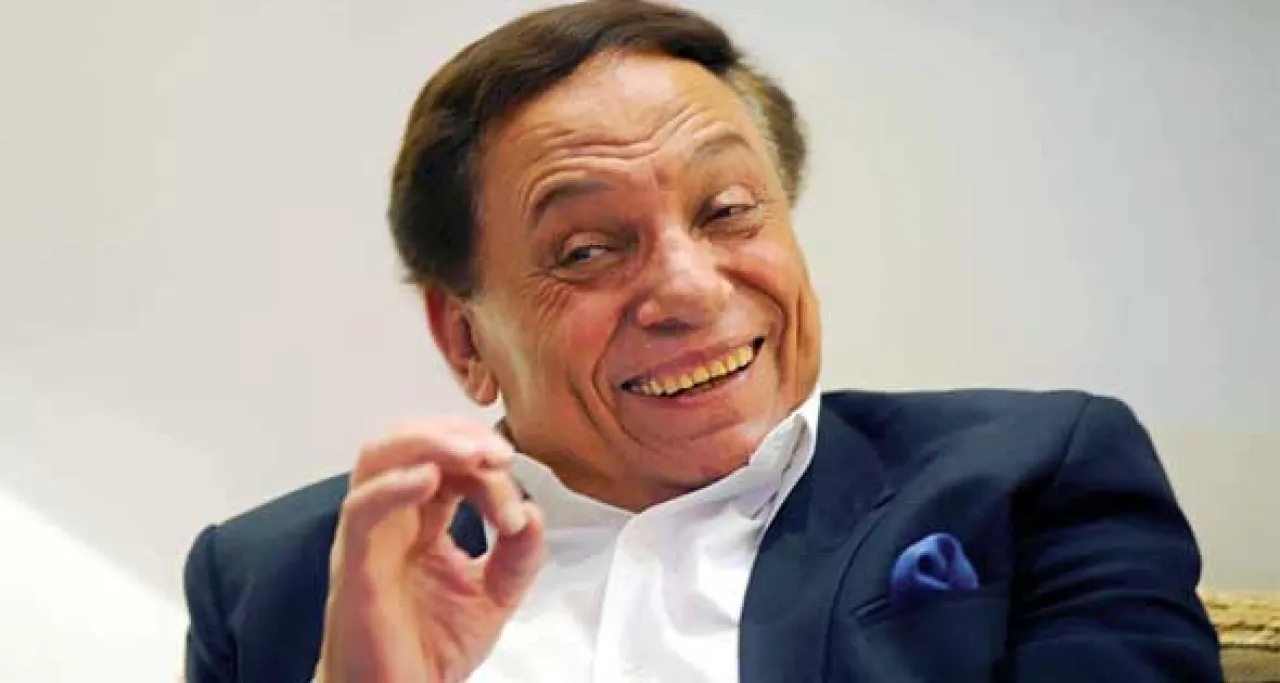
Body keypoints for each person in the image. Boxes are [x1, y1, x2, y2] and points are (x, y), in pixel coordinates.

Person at [181, 1, 1222, 681]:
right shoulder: (278, 578)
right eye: (587, 250)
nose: (687, 287)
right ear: (464, 337)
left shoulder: (1029, 478)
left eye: (727, 210)